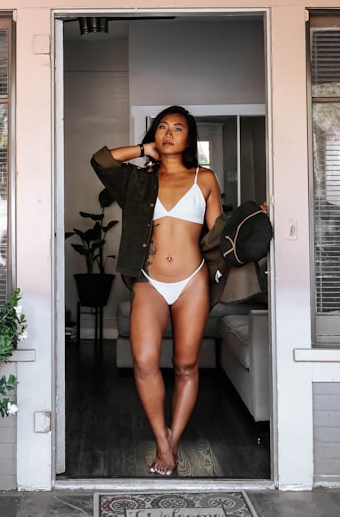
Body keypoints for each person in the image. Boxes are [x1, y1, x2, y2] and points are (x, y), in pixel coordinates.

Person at [91, 105, 223, 476]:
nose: (168, 133)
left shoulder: (205, 178)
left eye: (178, 128)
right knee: (145, 362)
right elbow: (101, 160)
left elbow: (218, 235)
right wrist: (141, 149)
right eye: (162, 127)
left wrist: (251, 220)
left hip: (192, 281)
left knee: (185, 365)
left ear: (189, 139)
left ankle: (174, 439)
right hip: (148, 281)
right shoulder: (139, 180)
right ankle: (161, 440)